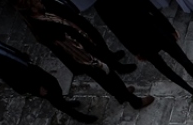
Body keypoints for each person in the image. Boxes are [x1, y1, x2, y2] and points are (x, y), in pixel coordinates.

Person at [15, 0, 153, 110]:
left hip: (85, 41)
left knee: (106, 75)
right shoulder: (42, 23)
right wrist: (89, 57)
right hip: (81, 53)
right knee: (107, 75)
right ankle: (134, 101)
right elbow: (66, 43)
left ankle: (121, 94)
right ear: (32, 7)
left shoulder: (44, 8)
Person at [0, 21, 97, 123]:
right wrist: (35, 87)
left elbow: (4, 49)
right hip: (25, 78)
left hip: (27, 66)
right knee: (50, 94)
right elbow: (7, 74)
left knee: (53, 82)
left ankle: (64, 102)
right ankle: (78, 116)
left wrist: (21, 55)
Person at [93, 0, 193, 99]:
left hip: (139, 42)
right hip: (154, 30)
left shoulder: (100, 6)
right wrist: (168, 27)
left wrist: (135, 51)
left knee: (166, 70)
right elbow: (149, 6)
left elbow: (118, 32)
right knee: (182, 59)